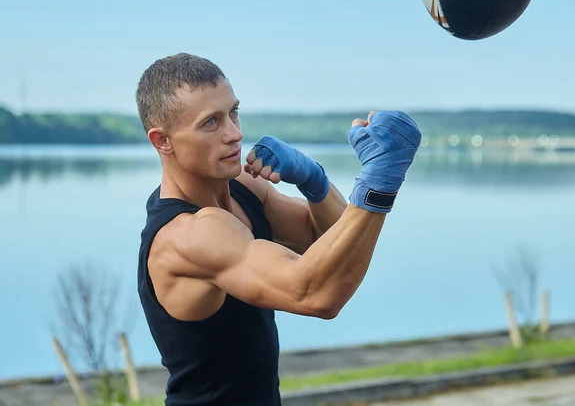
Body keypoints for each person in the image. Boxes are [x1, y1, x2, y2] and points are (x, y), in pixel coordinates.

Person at [135, 53, 422, 406]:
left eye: (233, 112)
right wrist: (379, 181)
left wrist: (315, 181)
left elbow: (331, 243)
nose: (235, 134)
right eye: (210, 123)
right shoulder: (187, 235)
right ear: (162, 141)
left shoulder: (242, 186)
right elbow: (317, 293)